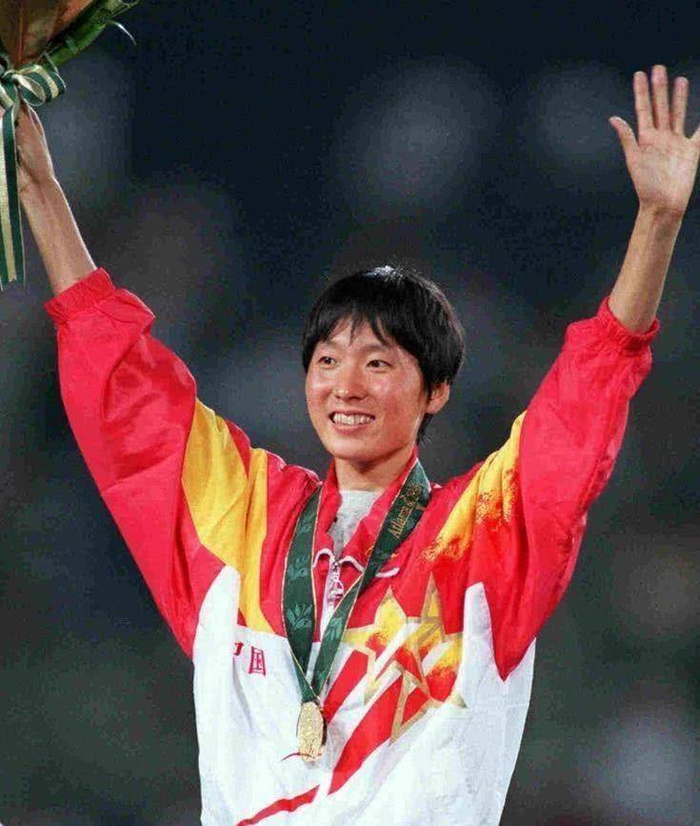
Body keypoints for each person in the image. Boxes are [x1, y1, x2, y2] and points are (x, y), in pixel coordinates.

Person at [8, 63, 699, 825]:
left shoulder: (479, 541)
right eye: (328, 361)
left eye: (378, 364)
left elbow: (582, 403)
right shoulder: (245, 518)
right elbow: (125, 389)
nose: (346, 385)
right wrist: (40, 188)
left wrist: (657, 223)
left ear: (436, 391)